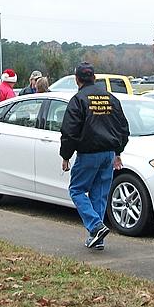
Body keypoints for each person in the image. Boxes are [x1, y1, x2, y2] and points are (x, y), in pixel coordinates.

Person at [60, 62, 129, 251]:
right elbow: (123, 128)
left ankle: (96, 226)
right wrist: (118, 152)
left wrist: (65, 156)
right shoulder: (111, 99)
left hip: (88, 154)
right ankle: (97, 239)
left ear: (77, 79)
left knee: (76, 190)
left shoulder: (78, 99)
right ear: (94, 78)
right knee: (99, 195)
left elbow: (69, 131)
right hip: (108, 154)